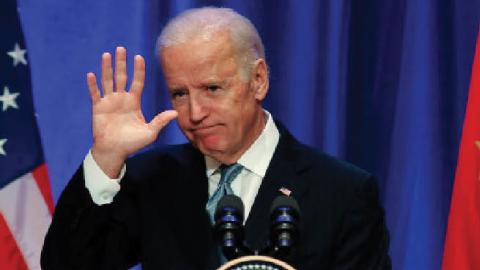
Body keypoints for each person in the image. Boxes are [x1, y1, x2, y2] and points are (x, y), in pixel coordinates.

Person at [41, 7, 391, 270]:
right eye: (179, 94)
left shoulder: (342, 192)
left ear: (258, 80)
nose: (194, 113)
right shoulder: (152, 180)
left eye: (212, 88)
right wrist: (106, 158)